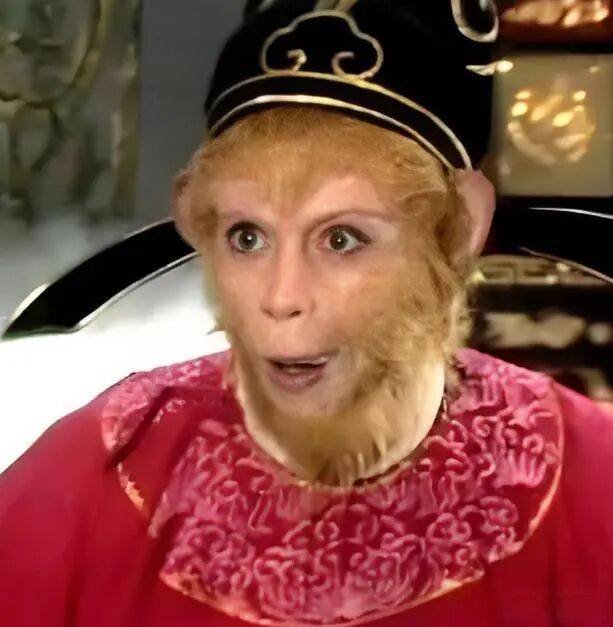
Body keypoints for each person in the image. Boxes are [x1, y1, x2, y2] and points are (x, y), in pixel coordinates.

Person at [1, 1, 612, 626]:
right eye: (247, 238)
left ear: (458, 229)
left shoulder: (592, 486)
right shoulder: (95, 475)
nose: (280, 296)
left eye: (342, 239)